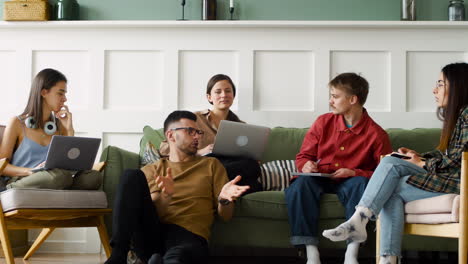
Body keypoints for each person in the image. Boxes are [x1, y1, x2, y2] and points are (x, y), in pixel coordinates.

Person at [322, 63, 468, 264]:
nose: (435, 89)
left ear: (459, 86)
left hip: (460, 182)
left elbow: (459, 159)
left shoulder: (467, 114)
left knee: (390, 170)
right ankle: (385, 256)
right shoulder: (460, 115)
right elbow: (446, 154)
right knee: (390, 174)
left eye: (441, 84)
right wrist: (420, 157)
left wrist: (422, 164)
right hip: (450, 176)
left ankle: (366, 229)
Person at [105, 110, 250, 264]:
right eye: (190, 131)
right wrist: (166, 196)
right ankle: (118, 256)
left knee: (177, 257)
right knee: (130, 175)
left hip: (190, 236)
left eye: (198, 132)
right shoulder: (153, 169)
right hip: (153, 235)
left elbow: (226, 216)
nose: (197, 136)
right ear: (171, 135)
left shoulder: (211, 165)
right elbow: (153, 213)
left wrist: (224, 200)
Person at [285, 73, 392, 264]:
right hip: (320, 177)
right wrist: (306, 165)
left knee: (361, 184)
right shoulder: (322, 122)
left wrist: (354, 172)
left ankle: (352, 252)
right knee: (300, 185)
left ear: (352, 100)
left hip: (351, 182)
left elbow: (384, 175)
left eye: (335, 96)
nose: (330, 101)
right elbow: (303, 157)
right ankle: (311, 252)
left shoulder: (377, 134)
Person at [0, 68, 102, 190]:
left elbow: (71, 164)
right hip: (25, 179)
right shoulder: (17, 123)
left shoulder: (60, 127)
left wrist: (69, 130)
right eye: (60, 93)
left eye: (65, 94)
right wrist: (31, 171)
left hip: (56, 178)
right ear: (43, 92)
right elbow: (2, 166)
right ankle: (12, 189)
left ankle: (61, 188)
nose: (65, 99)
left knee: (93, 177)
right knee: (58, 177)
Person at [160, 74, 261, 194]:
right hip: (203, 165)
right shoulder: (194, 119)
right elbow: (164, 148)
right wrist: (201, 152)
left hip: (229, 166)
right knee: (251, 175)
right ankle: (218, 186)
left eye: (228, 91)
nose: (224, 95)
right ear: (209, 97)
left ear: (233, 96)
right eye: (218, 92)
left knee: (253, 171)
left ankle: (218, 188)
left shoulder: (241, 126)